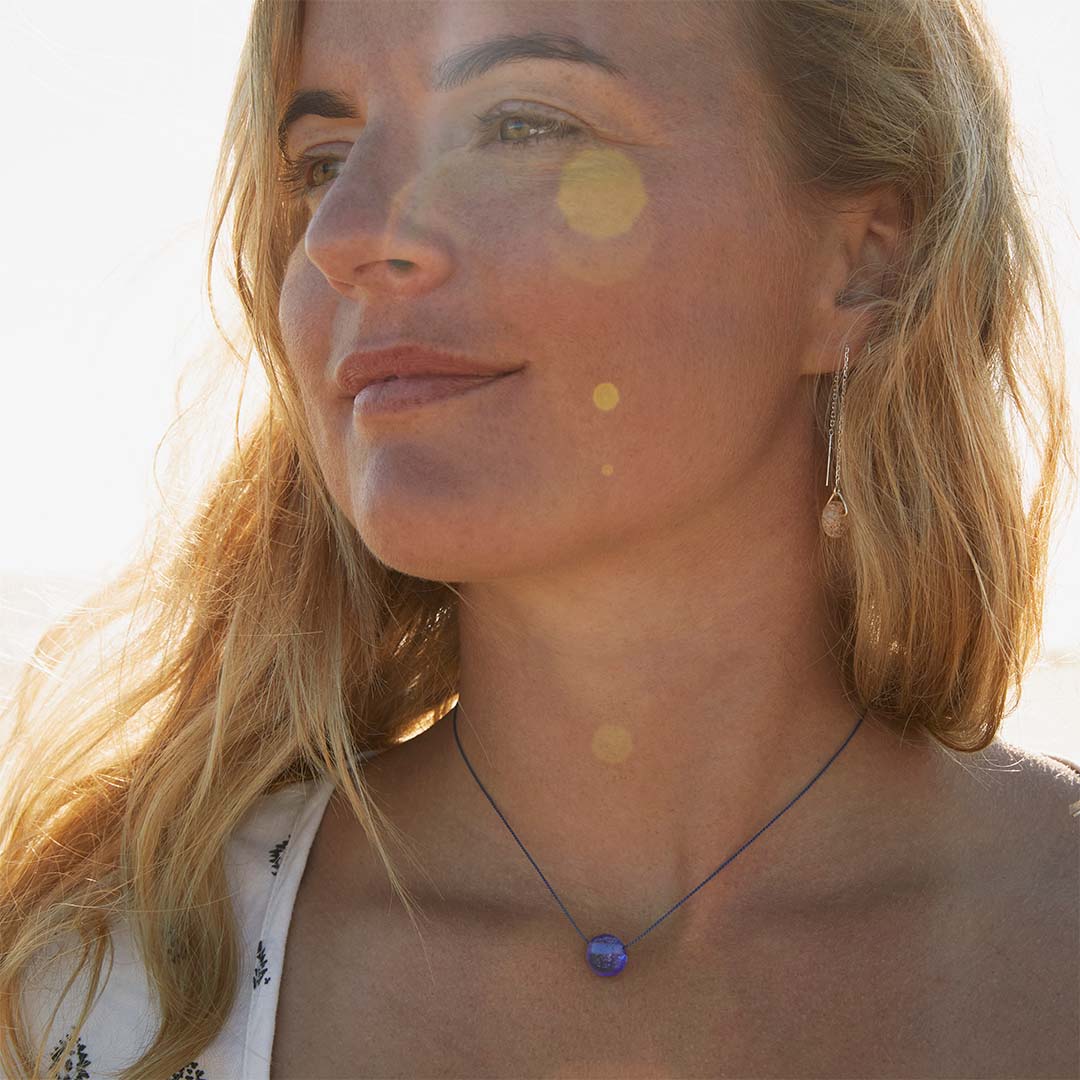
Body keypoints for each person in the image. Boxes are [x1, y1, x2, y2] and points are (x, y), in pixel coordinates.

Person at [2, 1, 1078, 1077]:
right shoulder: (108, 986)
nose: (343, 237)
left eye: (520, 125)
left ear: (861, 262)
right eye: (320, 163)